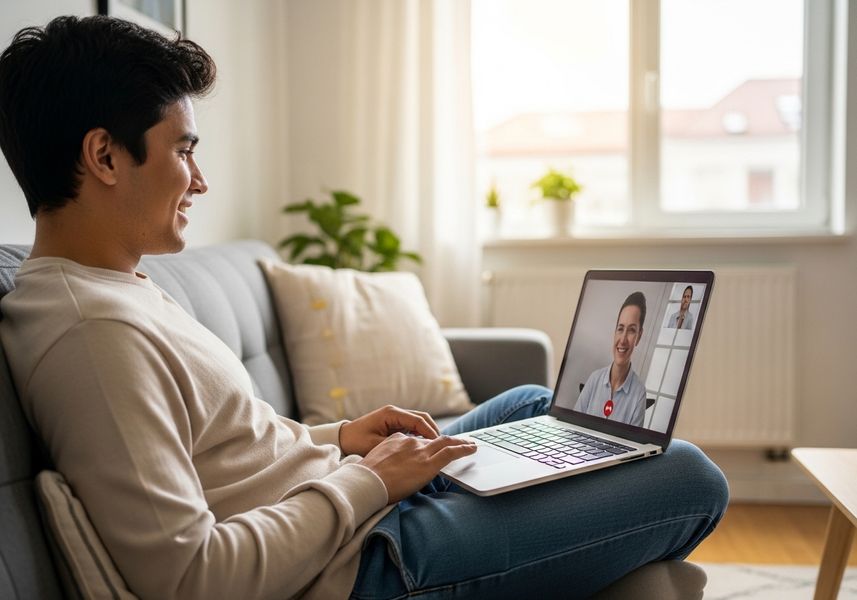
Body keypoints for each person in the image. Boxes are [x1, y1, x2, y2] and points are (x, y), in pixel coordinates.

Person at [0, 16, 728, 600]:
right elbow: (192, 577)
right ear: (103, 157)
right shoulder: (92, 334)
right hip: (360, 565)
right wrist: (373, 480)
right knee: (691, 478)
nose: (200, 181)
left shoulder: (113, 286)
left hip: (347, 503)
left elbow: (233, 453)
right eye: (183, 151)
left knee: (534, 403)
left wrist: (344, 438)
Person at [574, 292, 648, 427]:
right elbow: (572, 427)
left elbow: (633, 445)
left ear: (639, 336)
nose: (623, 340)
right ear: (615, 332)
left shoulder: (639, 393)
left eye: (631, 330)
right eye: (620, 329)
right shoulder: (594, 379)